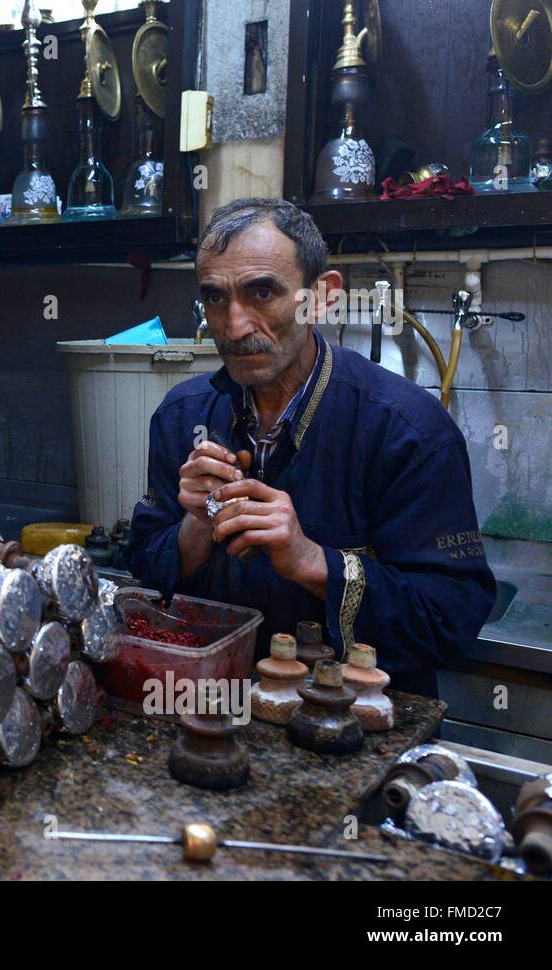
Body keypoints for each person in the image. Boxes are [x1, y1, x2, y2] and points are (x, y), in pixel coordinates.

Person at [126, 197, 495, 697]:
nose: (234, 327)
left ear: (321, 297)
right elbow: (144, 581)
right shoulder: (183, 416)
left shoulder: (408, 431)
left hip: (355, 730)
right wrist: (194, 530)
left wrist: (310, 560)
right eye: (215, 298)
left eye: (262, 293)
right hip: (214, 711)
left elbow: (450, 620)